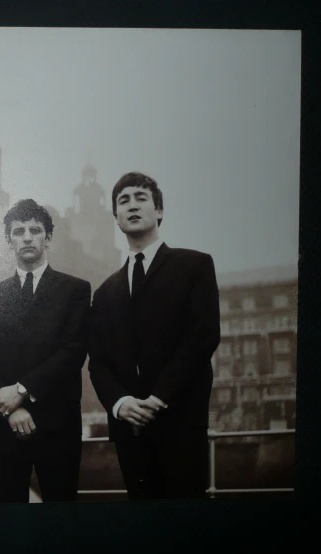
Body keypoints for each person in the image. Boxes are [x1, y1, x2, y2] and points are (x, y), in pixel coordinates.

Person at [88, 171, 221, 500]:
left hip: (181, 422)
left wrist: (158, 398)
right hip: (129, 430)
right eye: (123, 201)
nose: (132, 205)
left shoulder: (194, 266)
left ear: (159, 210)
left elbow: (203, 337)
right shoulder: (105, 292)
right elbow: (98, 362)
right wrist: (120, 404)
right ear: (116, 218)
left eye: (140, 198)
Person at [0, 199, 91, 503]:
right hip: (4, 426)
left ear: (47, 238)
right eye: (18, 231)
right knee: (10, 520)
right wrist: (9, 407)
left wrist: (21, 391)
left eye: (35, 230)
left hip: (58, 424)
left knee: (60, 519)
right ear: (9, 240)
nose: (26, 237)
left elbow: (73, 351)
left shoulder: (74, 290)